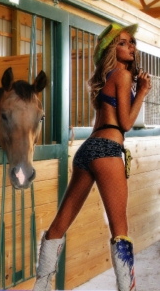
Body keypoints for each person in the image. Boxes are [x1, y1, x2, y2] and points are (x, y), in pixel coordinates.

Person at [32, 23, 152, 291]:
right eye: (122, 42)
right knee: (120, 232)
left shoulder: (108, 77)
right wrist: (142, 91)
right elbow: (126, 123)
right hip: (108, 151)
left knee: (59, 225)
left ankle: (40, 287)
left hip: (87, 152)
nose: (130, 46)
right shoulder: (120, 75)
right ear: (112, 50)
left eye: (131, 42)